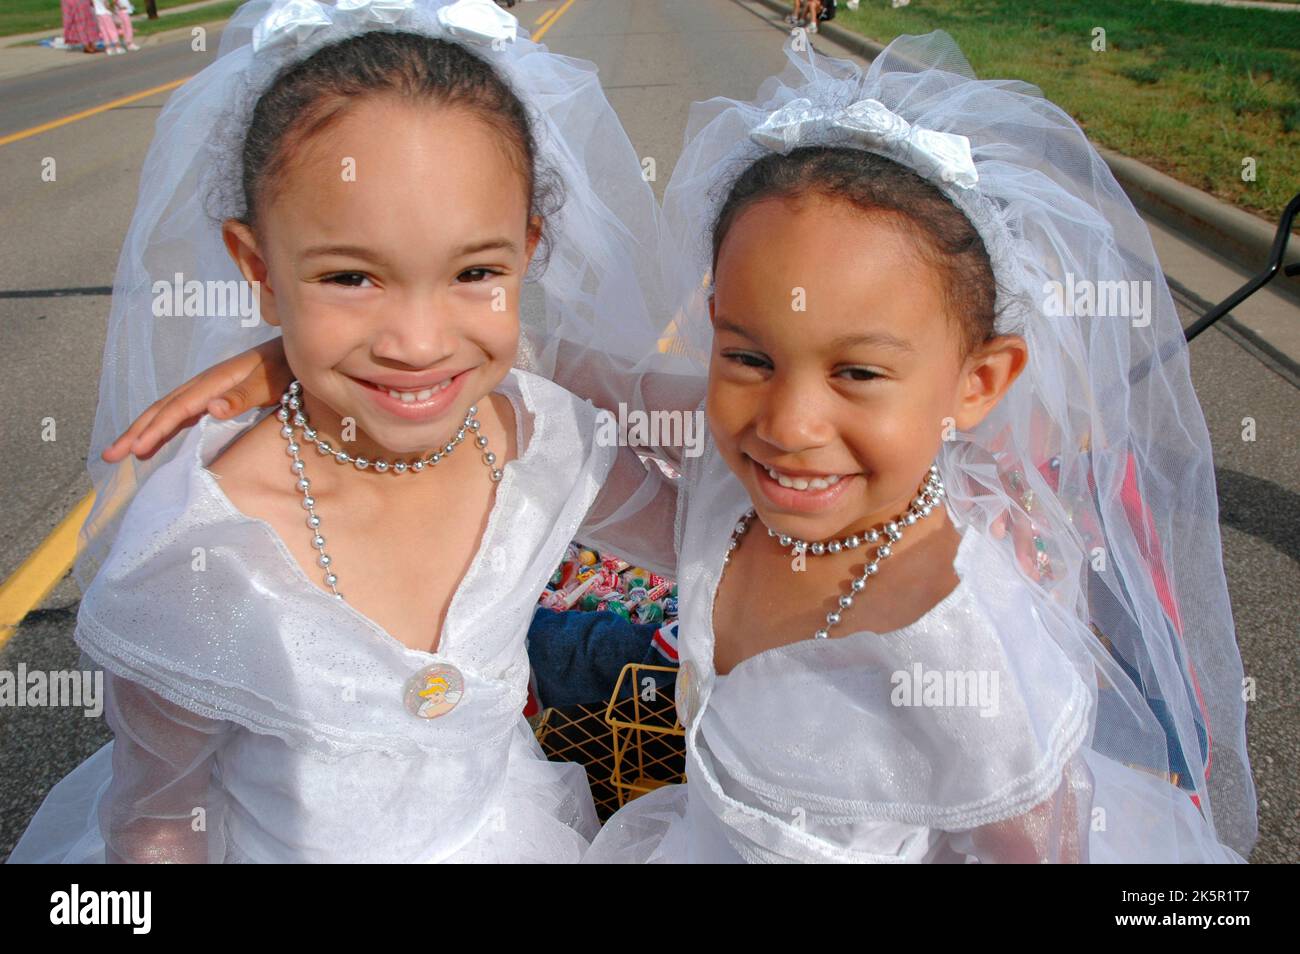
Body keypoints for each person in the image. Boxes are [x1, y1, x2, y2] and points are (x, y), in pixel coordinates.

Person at [7, 0, 674, 864]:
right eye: (352, 277)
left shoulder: (550, 445)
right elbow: (159, 824)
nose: (418, 342)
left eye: (475, 271)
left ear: (527, 250)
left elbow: (726, 516)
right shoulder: (201, 558)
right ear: (260, 272)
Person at [579, 32, 1255, 862]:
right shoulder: (735, 488)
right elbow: (610, 394)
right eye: (749, 356)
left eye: (858, 372)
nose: (788, 425)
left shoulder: (959, 650)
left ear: (978, 383)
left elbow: (1040, 854)